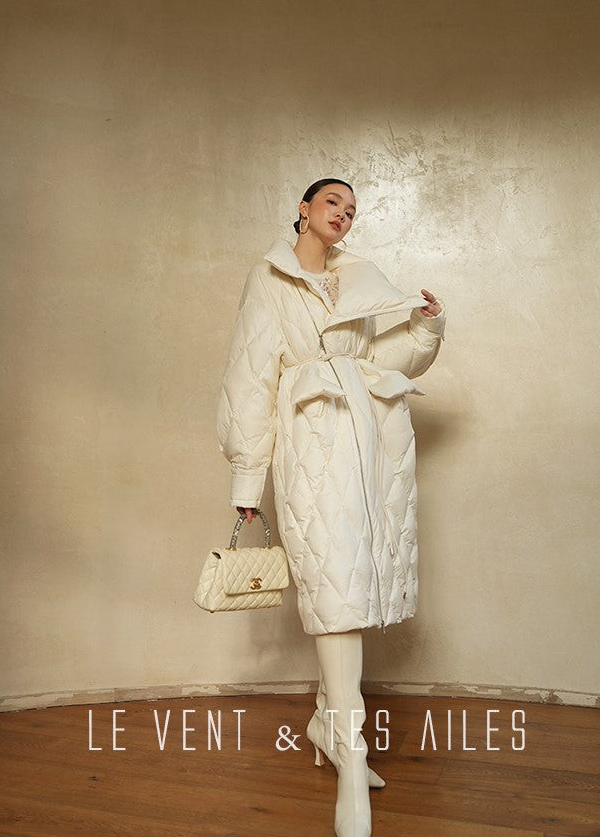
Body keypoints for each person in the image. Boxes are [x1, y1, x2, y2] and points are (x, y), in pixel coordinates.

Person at [216, 178, 446, 837]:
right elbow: (250, 376)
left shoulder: (356, 280)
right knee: (336, 587)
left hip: (370, 443)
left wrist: (424, 328)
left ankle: (325, 723)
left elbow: (373, 360)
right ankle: (352, 754)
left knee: (356, 584)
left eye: (351, 208)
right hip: (312, 440)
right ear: (303, 209)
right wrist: (246, 483)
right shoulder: (269, 279)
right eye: (331, 203)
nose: (342, 214)